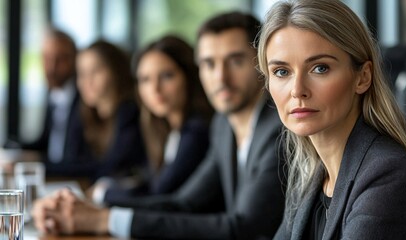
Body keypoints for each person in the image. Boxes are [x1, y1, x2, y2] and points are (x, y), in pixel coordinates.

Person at [32, 12, 285, 239]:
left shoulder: (277, 130)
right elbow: (182, 202)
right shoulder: (222, 125)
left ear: (262, 62)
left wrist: (104, 218)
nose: (220, 77)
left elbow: (245, 228)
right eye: (209, 63)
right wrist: (87, 211)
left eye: (235, 61)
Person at [257, 0, 406, 239]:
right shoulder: (312, 175)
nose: (297, 90)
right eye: (282, 72)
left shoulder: (390, 175)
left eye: (319, 68)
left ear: (363, 77)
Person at [94, 35, 213, 204]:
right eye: (145, 80)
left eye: (166, 76)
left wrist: (102, 194)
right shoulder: (168, 130)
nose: (155, 89)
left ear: (189, 77)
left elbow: (159, 193)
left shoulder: (197, 131)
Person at [46, 40, 145, 181]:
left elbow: (108, 168)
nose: (87, 81)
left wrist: (40, 168)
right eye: (82, 74)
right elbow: (73, 160)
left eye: (96, 71)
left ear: (116, 72)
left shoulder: (129, 113)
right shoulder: (85, 112)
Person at [4, 28, 79, 166]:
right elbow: (45, 144)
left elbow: (74, 161)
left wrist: (37, 162)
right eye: (47, 58)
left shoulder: (85, 100)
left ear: (75, 60)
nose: (51, 67)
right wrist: (15, 151)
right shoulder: (53, 93)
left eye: (60, 59)